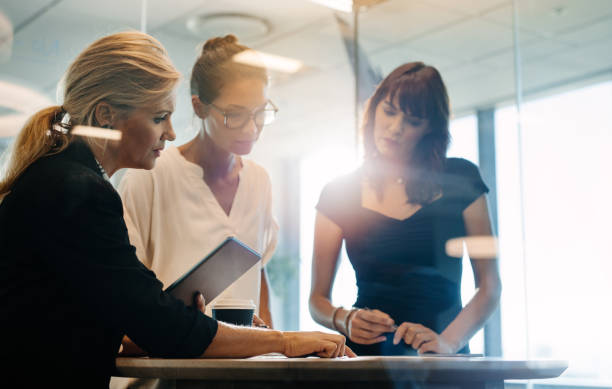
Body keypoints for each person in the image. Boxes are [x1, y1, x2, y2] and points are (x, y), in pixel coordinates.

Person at [0, 31, 353, 389]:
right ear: (106, 114)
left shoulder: (60, 178)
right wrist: (285, 342)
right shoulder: (80, 191)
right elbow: (162, 325)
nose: (169, 132)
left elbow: (94, 315)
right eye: (158, 118)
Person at [309, 62, 501, 356]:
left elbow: (489, 287)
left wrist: (448, 342)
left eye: (412, 121)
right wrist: (344, 319)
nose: (395, 129)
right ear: (373, 110)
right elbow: (317, 300)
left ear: (430, 129)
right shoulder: (338, 193)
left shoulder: (463, 180)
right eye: (389, 111)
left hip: (443, 357)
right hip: (367, 359)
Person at [118, 34, 277, 328]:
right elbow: (126, 288)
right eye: (234, 114)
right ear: (199, 107)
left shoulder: (259, 181)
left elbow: (258, 274)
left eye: (260, 113)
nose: (252, 128)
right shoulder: (150, 174)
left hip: (242, 364)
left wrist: (273, 347)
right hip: (166, 362)